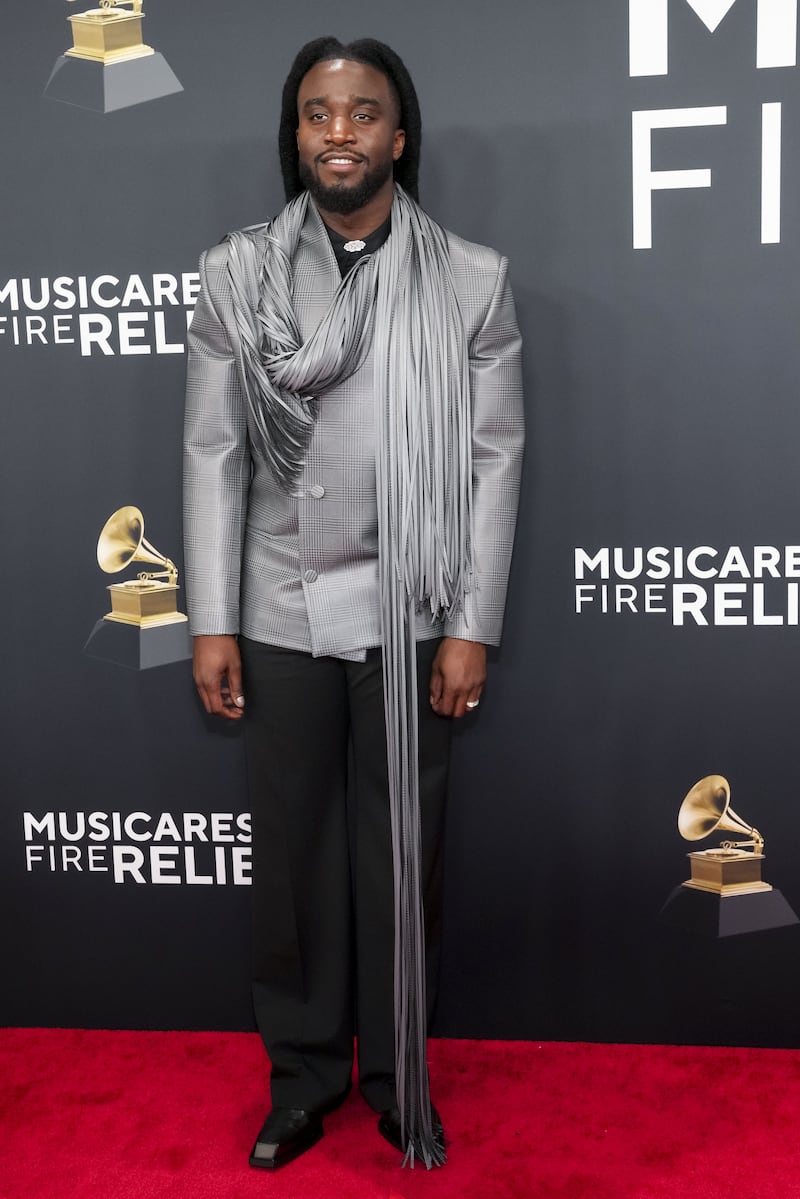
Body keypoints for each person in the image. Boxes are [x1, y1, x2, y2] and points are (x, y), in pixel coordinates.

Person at [183, 36, 524, 1171]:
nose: (340, 131)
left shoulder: (470, 275)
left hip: (410, 605)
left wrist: (469, 621)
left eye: (362, 112)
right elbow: (213, 452)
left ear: (398, 133)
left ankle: (393, 1074)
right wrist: (212, 619)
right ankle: (301, 1078)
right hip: (278, 604)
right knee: (292, 862)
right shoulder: (236, 271)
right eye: (318, 112)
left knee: (397, 858)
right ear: (295, 134)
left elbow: (492, 458)